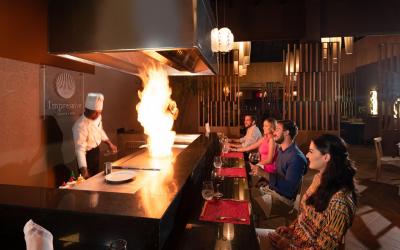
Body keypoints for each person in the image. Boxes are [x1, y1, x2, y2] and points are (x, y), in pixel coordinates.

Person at [263, 134, 357, 249]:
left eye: (311, 151)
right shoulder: (318, 179)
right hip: (294, 240)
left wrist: (288, 246)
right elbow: (306, 214)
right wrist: (291, 229)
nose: (307, 155)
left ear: (326, 157)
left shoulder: (339, 203)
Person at [253, 120, 307, 218]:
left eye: (277, 129)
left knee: (247, 204)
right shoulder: (281, 150)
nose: (273, 133)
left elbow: (289, 190)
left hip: (284, 201)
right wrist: (266, 180)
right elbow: (278, 174)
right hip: (272, 191)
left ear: (286, 133)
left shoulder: (296, 157)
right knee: (246, 194)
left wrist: (264, 174)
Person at [72, 93, 117, 179]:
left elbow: (99, 130)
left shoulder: (98, 117)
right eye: (95, 113)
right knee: (87, 182)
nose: (97, 116)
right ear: (86, 109)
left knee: (95, 177)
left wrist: (109, 144)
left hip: (95, 152)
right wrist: (84, 171)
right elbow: (80, 150)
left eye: (99, 113)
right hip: (86, 156)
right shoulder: (80, 126)